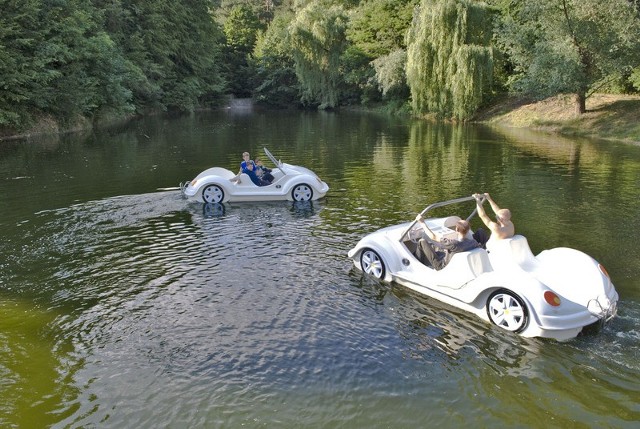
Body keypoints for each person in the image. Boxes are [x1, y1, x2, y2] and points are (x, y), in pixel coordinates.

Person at [413, 214, 480, 270]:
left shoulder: (453, 244)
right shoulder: (473, 242)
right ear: (468, 230)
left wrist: (422, 223)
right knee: (437, 247)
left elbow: (433, 237)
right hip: (455, 264)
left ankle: (417, 265)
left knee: (422, 242)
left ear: (456, 229)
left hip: (442, 266)